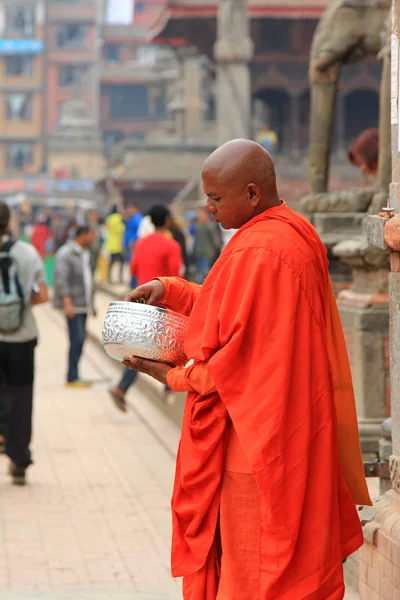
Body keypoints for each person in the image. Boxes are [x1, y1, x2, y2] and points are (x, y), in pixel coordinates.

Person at [122, 140, 372, 599]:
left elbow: (232, 364)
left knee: (255, 570)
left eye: (216, 198)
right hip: (295, 429)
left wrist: (172, 376)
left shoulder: (258, 251)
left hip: (256, 446)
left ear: (253, 194)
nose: (209, 208)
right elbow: (237, 314)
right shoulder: (295, 233)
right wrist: (172, 289)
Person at [108, 205, 183, 412]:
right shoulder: (171, 245)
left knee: (140, 350)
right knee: (169, 348)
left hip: (141, 303)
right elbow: (176, 275)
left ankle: (122, 389)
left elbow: (133, 269)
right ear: (167, 221)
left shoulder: (141, 243)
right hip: (163, 304)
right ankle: (168, 388)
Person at [0, 202, 48, 485]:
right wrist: (17, 308)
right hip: (22, 337)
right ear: (9, 222)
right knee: (21, 397)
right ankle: (19, 459)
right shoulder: (27, 253)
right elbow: (42, 295)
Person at [53, 226, 96, 388]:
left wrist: (92, 303)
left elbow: (89, 280)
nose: (93, 239)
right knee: (76, 340)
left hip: (83, 304)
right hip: (73, 305)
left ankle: (75, 374)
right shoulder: (66, 253)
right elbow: (61, 279)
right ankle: (72, 376)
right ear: (83, 235)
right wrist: (67, 302)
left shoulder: (86, 253)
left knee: (81, 340)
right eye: (91, 235)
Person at [193, 209, 220, 283]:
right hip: (199, 252)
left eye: (201, 216)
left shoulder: (210, 226)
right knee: (200, 271)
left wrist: (214, 250)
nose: (200, 218)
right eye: (199, 216)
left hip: (207, 252)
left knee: (205, 271)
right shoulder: (197, 227)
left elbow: (215, 240)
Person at [105, 205, 125, 284]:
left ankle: (109, 278)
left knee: (111, 262)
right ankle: (120, 278)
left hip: (110, 243)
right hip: (118, 243)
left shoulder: (109, 218)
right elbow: (121, 230)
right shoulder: (119, 218)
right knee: (122, 262)